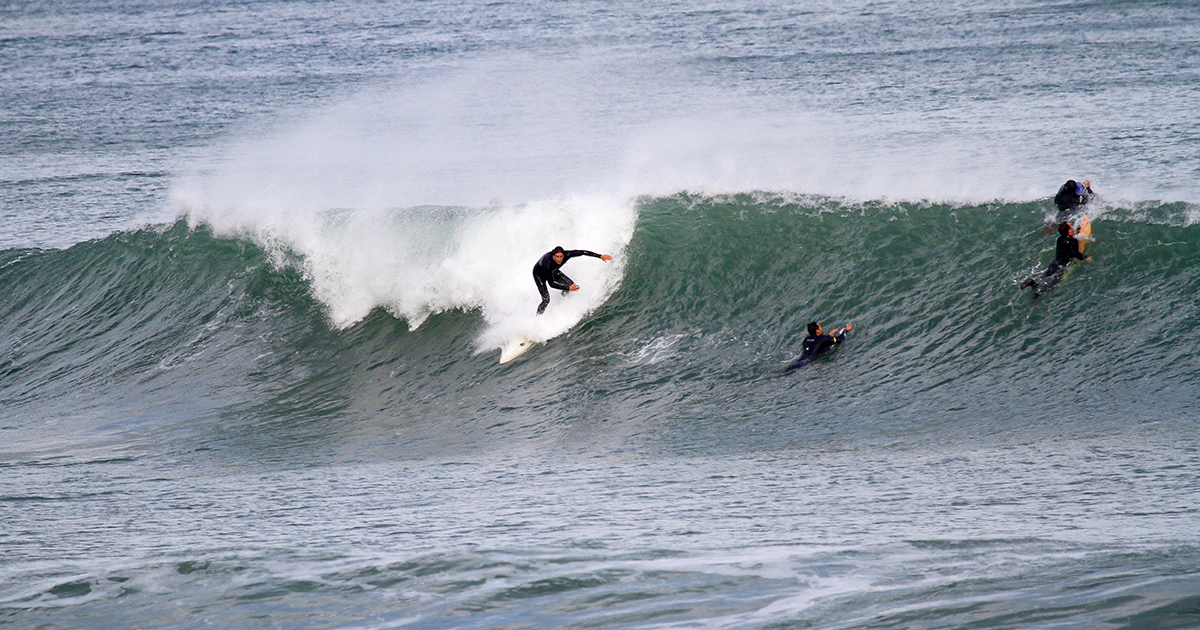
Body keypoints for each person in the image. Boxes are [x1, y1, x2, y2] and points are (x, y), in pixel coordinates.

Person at [532, 246, 613, 314]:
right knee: (546, 299)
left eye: (561, 256)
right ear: (553, 255)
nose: (559, 259)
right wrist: (568, 288)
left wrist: (600, 256)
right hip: (539, 275)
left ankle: (564, 299)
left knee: (570, 283)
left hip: (552, 271)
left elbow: (582, 252)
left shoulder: (567, 254)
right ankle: (538, 317)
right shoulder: (548, 262)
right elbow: (551, 284)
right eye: (557, 257)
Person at [1022, 221, 1092, 297]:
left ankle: (1033, 283)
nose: (1072, 227)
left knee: (1045, 277)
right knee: (1052, 284)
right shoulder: (1072, 241)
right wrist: (1086, 258)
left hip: (1055, 262)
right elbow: (1075, 253)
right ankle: (1037, 294)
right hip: (1062, 265)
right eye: (1071, 227)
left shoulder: (1060, 239)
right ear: (1069, 231)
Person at [787, 321, 853, 371]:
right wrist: (846, 330)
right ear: (817, 330)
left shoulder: (806, 339)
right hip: (807, 363)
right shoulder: (823, 339)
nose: (821, 328)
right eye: (820, 327)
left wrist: (828, 336)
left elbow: (818, 343)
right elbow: (839, 339)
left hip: (798, 361)